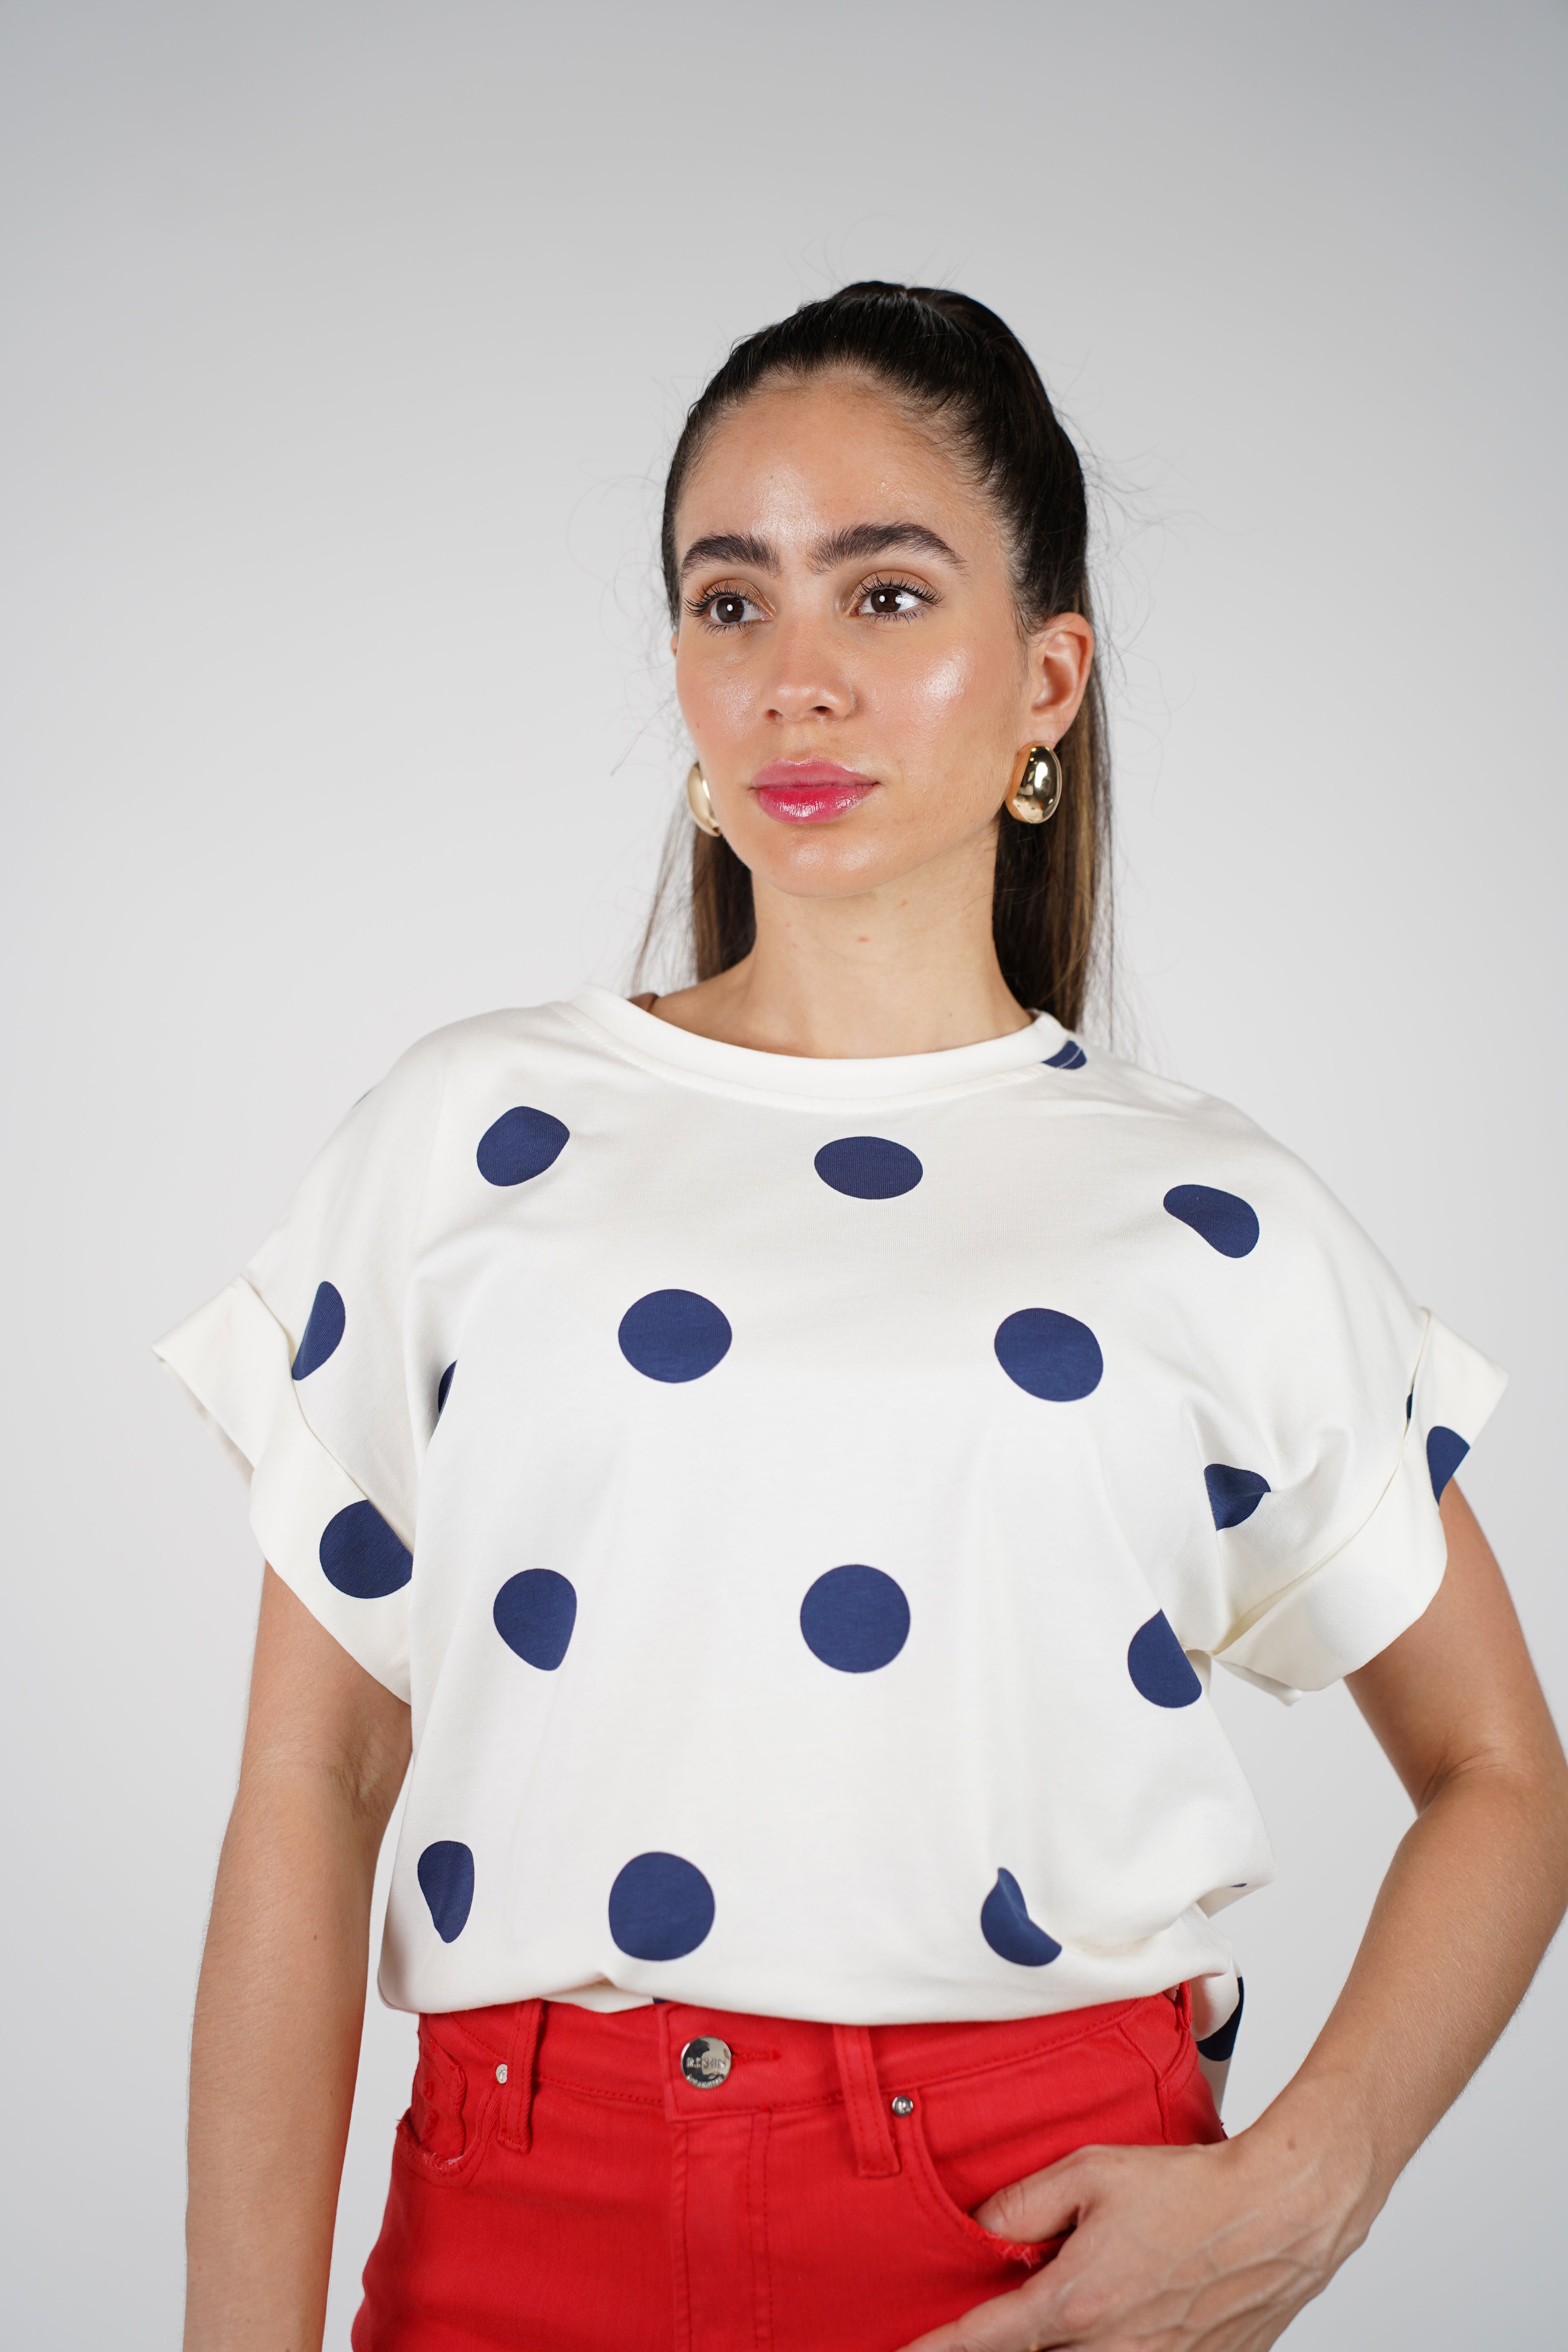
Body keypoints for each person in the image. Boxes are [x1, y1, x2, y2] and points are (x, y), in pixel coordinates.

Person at [158, 283, 1568, 2352]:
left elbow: (1501, 1772)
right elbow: (308, 1782)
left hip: (1017, 2227)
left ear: (1049, 677)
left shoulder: (1215, 1213)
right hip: (519, 2210)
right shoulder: (468, 1134)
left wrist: (1308, 2186)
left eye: (885, 595)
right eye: (729, 604)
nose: (795, 679)